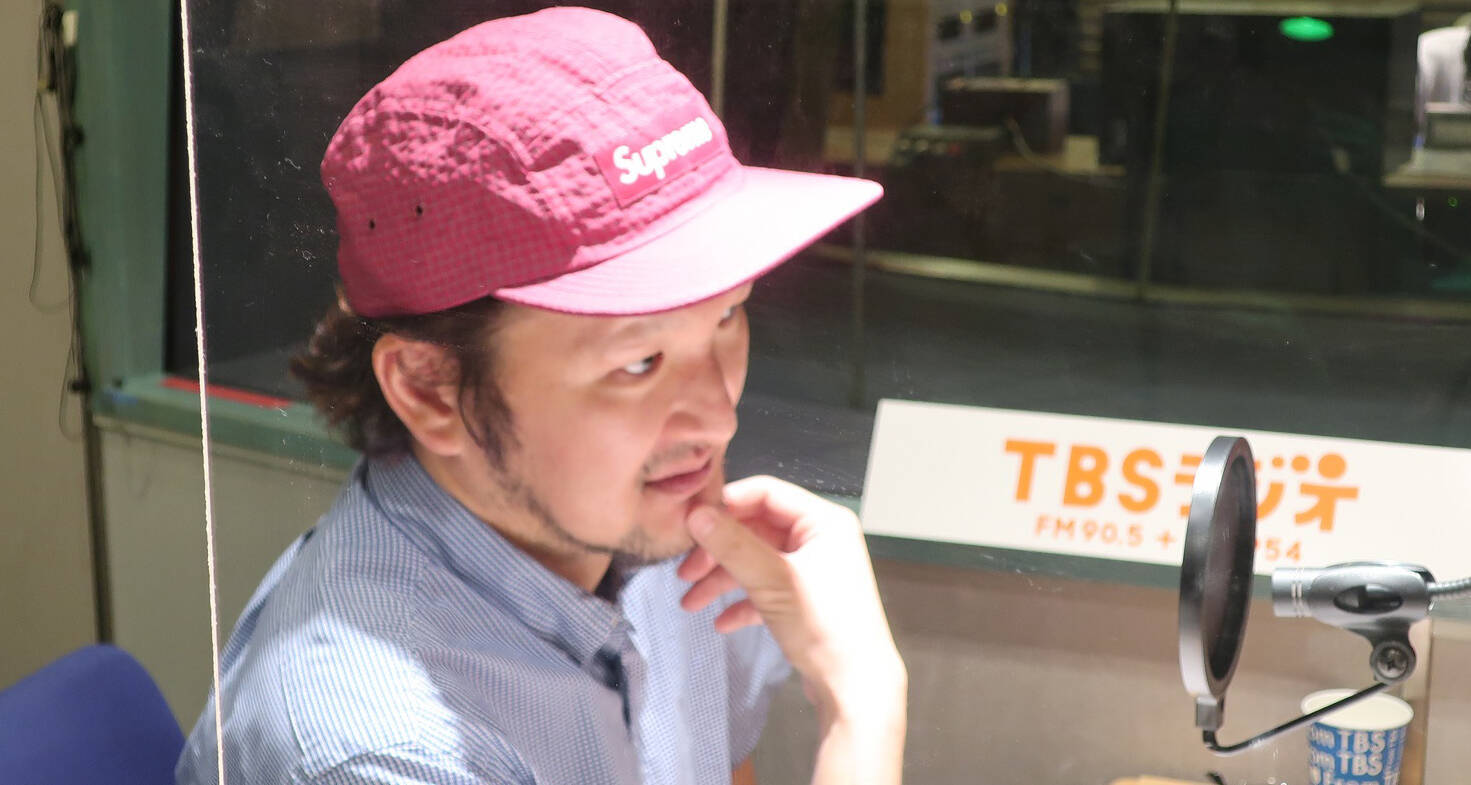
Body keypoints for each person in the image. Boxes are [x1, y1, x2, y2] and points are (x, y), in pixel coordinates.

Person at [174, 7, 906, 785]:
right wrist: (861, 701)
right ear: (428, 389)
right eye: (639, 362)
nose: (718, 417)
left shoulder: (647, 526)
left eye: (728, 315)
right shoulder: (383, 753)